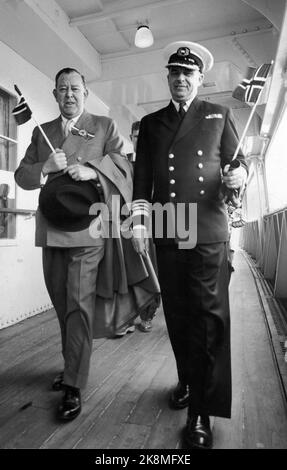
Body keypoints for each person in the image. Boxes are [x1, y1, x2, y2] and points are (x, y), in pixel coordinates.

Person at [14, 67, 160, 422]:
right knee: (62, 302)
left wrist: (93, 170)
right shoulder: (40, 132)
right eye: (62, 89)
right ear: (54, 95)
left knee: (79, 303)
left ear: (85, 92)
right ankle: (70, 367)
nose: (69, 94)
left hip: (88, 230)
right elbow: (22, 175)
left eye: (75, 88)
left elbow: (125, 165)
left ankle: (74, 384)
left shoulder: (105, 126)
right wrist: (45, 167)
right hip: (51, 229)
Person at [131, 41, 248, 449]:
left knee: (208, 320)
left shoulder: (220, 114)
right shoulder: (151, 123)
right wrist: (141, 221)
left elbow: (239, 163)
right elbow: (141, 179)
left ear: (200, 79)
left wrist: (240, 177)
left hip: (208, 229)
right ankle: (186, 377)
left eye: (189, 74)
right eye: (175, 73)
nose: (181, 79)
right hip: (168, 228)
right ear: (168, 78)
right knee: (178, 315)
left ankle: (202, 409)